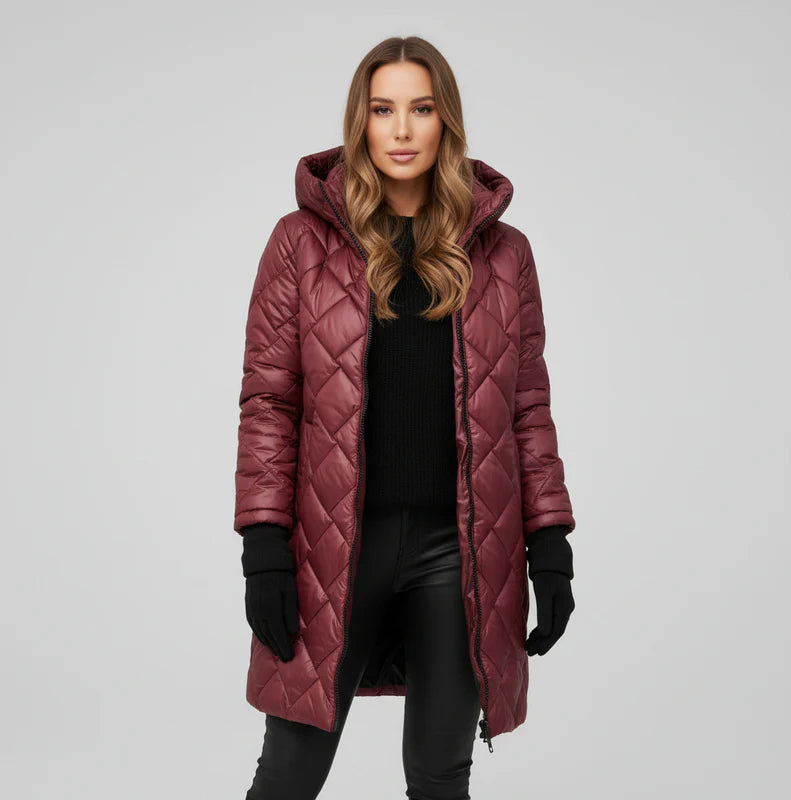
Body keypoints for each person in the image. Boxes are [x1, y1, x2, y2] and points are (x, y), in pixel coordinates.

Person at [233, 35, 577, 800]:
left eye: (419, 109)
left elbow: (527, 409)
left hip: (460, 551)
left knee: (440, 774)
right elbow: (269, 403)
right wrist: (263, 545)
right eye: (382, 109)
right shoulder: (299, 244)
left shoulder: (505, 255)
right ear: (360, 121)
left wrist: (550, 543)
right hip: (331, 545)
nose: (400, 129)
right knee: (289, 775)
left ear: (445, 120)